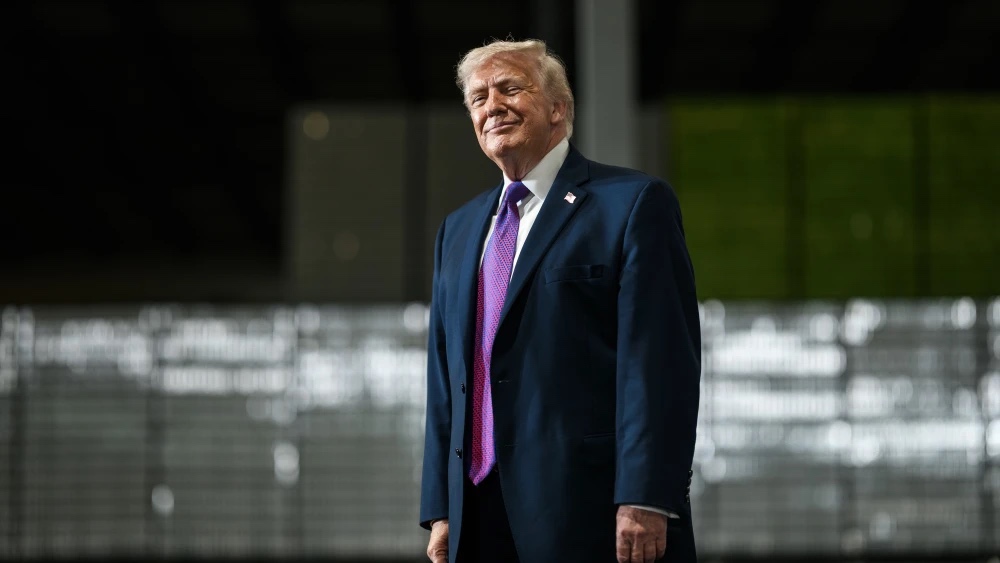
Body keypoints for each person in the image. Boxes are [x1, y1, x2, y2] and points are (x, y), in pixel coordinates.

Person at [419, 38, 701, 563]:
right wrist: (440, 506)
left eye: (510, 88)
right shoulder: (456, 232)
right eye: (478, 98)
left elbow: (658, 365)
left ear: (558, 108)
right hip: (476, 513)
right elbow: (445, 379)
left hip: (590, 509)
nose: (492, 106)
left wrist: (646, 495)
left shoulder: (632, 204)